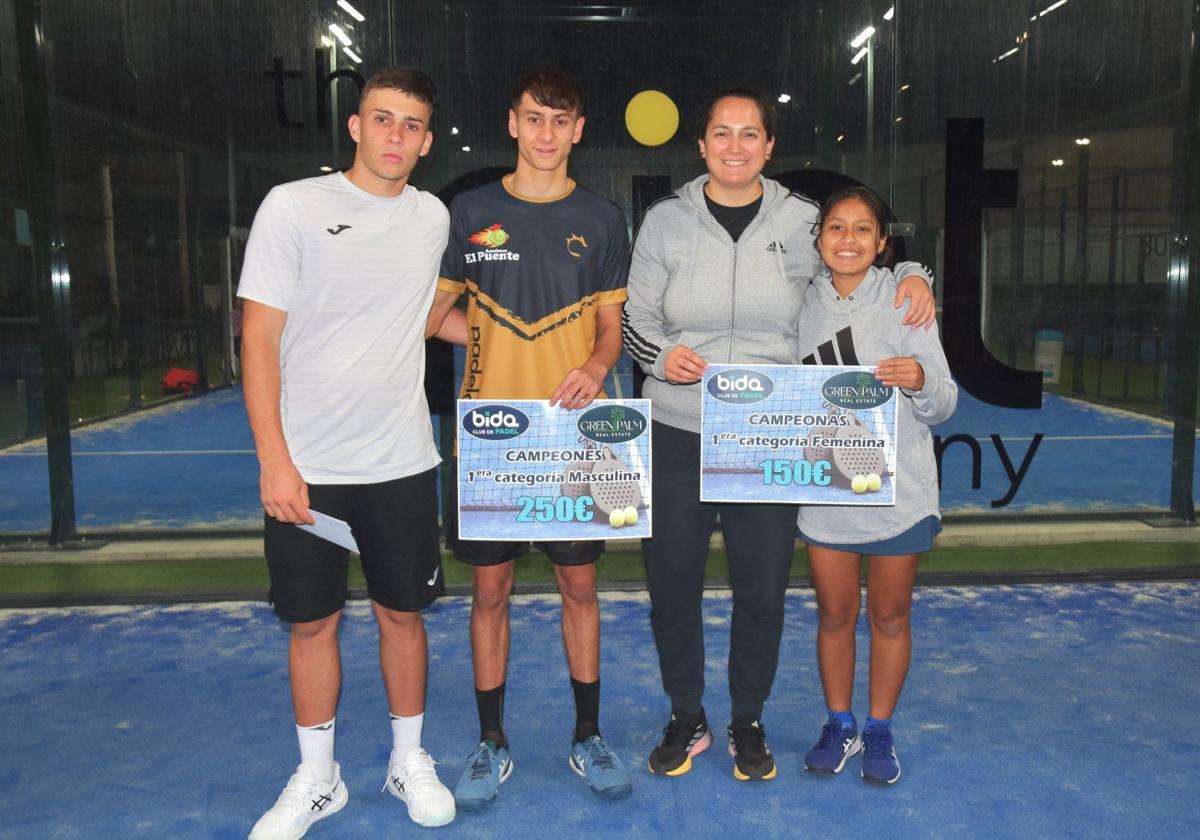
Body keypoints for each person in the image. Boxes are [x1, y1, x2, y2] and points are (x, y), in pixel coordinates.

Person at [622, 88, 936, 782]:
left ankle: (746, 720)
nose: (736, 146)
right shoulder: (665, 223)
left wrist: (916, 273)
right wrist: (657, 355)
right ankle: (687, 715)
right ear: (701, 145)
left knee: (761, 592)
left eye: (750, 134)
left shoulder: (801, 221)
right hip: (675, 429)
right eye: (722, 133)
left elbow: (862, 264)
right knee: (671, 586)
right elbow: (635, 317)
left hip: (769, 435)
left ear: (769, 146)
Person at [239, 67, 456, 839]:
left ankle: (407, 760)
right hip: (309, 468)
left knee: (403, 617)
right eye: (382, 119)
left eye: (411, 125)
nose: (396, 135)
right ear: (356, 126)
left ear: (426, 142)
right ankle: (318, 778)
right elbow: (259, 336)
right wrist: (274, 457)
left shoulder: (433, 219)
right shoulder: (293, 206)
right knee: (311, 623)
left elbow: (427, 318)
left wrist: (548, 349)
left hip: (401, 462)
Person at [425, 69, 633, 807]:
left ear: (579, 130)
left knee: (580, 585)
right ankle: (491, 743)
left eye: (561, 121)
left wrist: (598, 365)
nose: (546, 133)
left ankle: (587, 735)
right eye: (534, 118)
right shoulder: (470, 213)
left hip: (574, 436)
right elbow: (432, 315)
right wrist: (483, 342)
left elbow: (612, 328)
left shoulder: (604, 220)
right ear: (512, 123)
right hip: (491, 436)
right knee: (490, 588)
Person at [797, 185, 956, 785]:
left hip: (900, 496)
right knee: (834, 615)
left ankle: (880, 727)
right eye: (835, 228)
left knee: (889, 616)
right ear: (819, 240)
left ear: (882, 242)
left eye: (863, 229)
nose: (848, 239)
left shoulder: (904, 300)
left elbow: (944, 404)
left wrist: (918, 378)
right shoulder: (800, 303)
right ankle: (839, 723)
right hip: (826, 491)